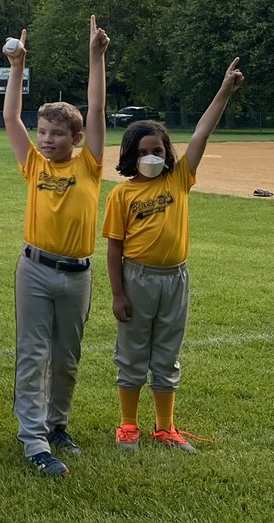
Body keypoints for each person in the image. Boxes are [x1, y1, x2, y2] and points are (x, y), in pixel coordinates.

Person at [104, 59, 244, 452]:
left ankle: (165, 427)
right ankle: (128, 425)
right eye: (143, 151)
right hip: (137, 277)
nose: (152, 156)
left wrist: (225, 91)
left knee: (167, 352)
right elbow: (114, 248)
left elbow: (202, 132)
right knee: (132, 352)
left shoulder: (179, 178)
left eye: (158, 149)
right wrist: (118, 294)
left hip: (175, 278)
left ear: (167, 151)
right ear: (131, 156)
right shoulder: (122, 194)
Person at [3, 16, 109, 477]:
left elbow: (98, 108)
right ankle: (33, 439)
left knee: (66, 357)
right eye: (42, 132)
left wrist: (96, 57)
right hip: (35, 269)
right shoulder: (33, 164)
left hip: (78, 274)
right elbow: (11, 116)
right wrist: (19, 67)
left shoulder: (89, 165)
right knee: (33, 354)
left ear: (77, 139)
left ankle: (57, 424)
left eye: (56, 134)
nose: (46, 140)